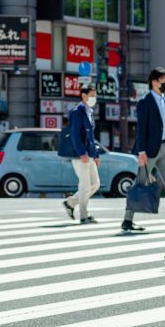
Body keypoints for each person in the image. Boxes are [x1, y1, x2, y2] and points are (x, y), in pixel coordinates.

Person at [122, 67, 165, 232]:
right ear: (154, 82)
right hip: (149, 150)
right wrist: (141, 151)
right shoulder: (145, 102)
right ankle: (127, 220)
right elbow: (141, 129)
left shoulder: (164, 100)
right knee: (139, 183)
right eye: (163, 81)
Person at [59, 85, 101, 224]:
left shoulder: (89, 111)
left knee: (95, 184)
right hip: (80, 155)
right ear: (84, 95)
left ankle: (70, 203)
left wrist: (95, 155)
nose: (94, 98)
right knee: (85, 185)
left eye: (95, 95)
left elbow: (91, 137)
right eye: (92, 95)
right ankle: (84, 216)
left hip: (89, 154)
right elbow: (75, 135)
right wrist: (82, 152)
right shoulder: (77, 111)